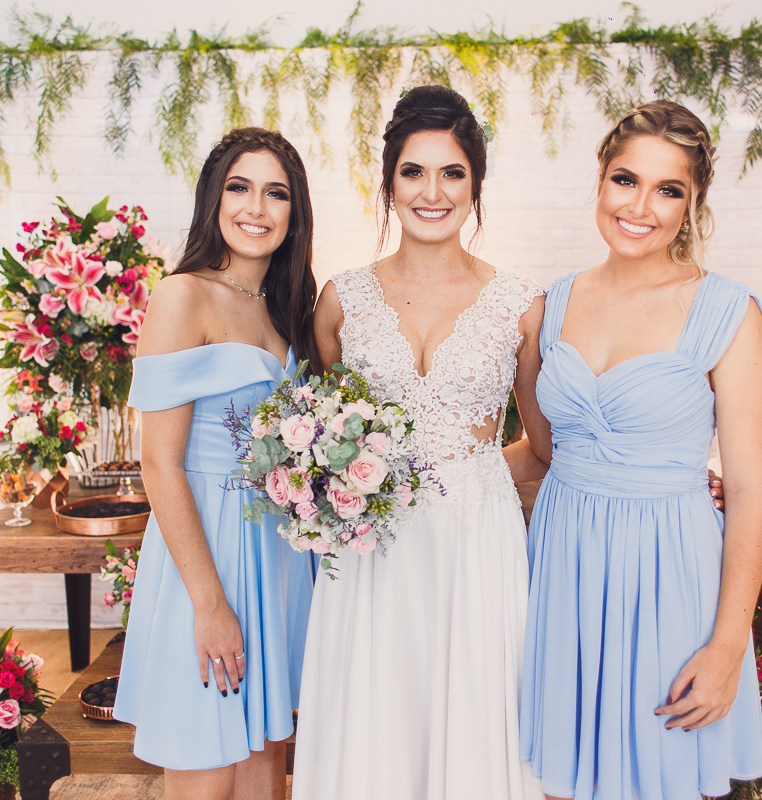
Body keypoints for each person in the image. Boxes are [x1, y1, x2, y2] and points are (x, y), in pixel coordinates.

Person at [289, 85, 551, 800]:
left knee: (476, 702)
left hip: (477, 543)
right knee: (375, 710)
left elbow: (541, 447)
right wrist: (347, 489)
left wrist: (464, 475)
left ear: (476, 186)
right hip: (374, 549)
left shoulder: (522, 306)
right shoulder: (342, 298)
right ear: (388, 184)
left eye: (452, 173)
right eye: (414, 172)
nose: (432, 192)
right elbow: (320, 434)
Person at [520, 100, 762, 800]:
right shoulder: (552, 303)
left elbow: (750, 488)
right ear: (600, 181)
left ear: (693, 204)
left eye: (669, 190)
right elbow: (542, 448)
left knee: (657, 772)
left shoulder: (728, 312)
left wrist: (727, 645)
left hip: (670, 570)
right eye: (626, 180)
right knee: (561, 780)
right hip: (564, 564)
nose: (641, 206)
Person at [113, 127, 318, 800]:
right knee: (203, 764)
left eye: (275, 193)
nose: (256, 207)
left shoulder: (289, 309)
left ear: (294, 215)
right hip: (208, 556)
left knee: (265, 768)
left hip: (276, 556)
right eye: (239, 187)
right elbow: (159, 463)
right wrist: (209, 604)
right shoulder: (183, 296)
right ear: (213, 199)